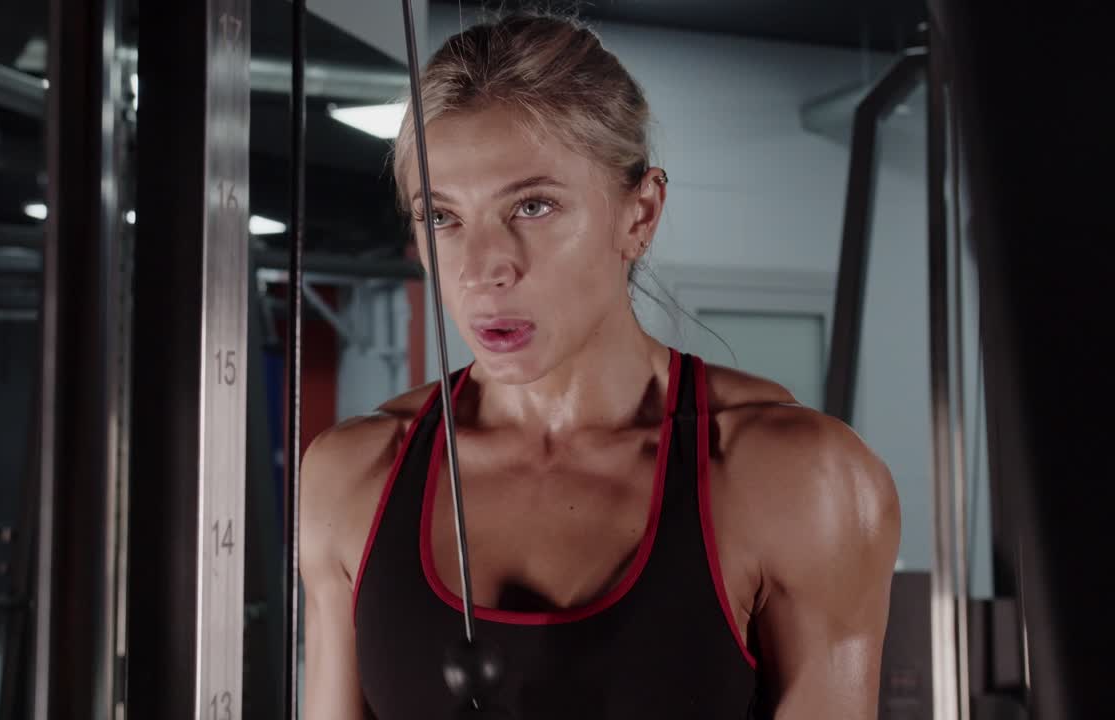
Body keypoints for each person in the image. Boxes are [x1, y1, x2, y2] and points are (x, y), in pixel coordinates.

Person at [299, 11, 900, 719]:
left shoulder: (797, 478)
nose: (484, 267)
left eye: (532, 205)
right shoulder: (353, 475)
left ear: (640, 213)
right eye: (442, 217)